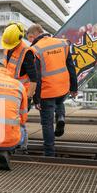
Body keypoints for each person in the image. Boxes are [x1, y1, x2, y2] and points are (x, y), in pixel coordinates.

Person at [26, 24, 78, 157]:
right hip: (63, 86)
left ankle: (49, 152)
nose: (29, 42)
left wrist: (36, 99)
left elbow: (36, 76)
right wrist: (74, 87)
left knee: (47, 123)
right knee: (59, 102)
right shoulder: (62, 43)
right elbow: (71, 66)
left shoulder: (35, 49)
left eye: (29, 39)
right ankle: (60, 117)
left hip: (47, 91)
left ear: (33, 36)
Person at [1, 21, 39, 154]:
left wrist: (28, 98)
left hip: (22, 93)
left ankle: (22, 147)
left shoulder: (26, 52)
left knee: (20, 121)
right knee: (9, 120)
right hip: (9, 91)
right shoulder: (8, 46)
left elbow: (34, 78)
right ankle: (11, 144)